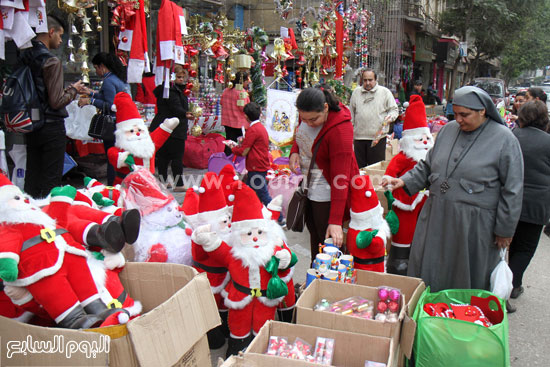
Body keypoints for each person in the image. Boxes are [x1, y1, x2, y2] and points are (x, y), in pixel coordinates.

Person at [382, 86, 524, 292]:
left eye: (464, 115)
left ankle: (463, 318)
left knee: (468, 278)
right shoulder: (448, 131)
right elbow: (428, 166)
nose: (458, 119)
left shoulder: (505, 139)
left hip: (474, 225)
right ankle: (430, 312)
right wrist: (404, 181)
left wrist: (505, 229)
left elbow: (513, 189)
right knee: (430, 269)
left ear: (483, 111)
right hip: (437, 216)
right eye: (455, 113)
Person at [290, 85, 359, 261]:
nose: (308, 123)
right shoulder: (307, 115)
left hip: (328, 193)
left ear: (326, 108)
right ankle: (316, 279)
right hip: (309, 187)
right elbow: (300, 132)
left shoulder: (340, 130)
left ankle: (332, 284)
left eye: (313, 119)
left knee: (329, 246)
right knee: (315, 238)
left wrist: (335, 221)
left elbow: (341, 178)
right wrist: (295, 150)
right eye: (303, 118)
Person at [21, 14, 84, 199]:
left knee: (32, 176)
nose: (60, 40)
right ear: (51, 32)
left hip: (31, 124)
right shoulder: (51, 61)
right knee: (51, 179)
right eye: (60, 35)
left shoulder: (25, 56)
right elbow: (56, 101)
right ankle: (50, 218)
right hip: (51, 125)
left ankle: (31, 218)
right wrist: (73, 91)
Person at [508, 101, 550, 308]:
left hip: (508, 200)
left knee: (508, 243)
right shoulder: (548, 141)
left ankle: (509, 282)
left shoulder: (511, 136)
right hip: (537, 205)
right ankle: (511, 285)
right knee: (525, 248)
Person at [78, 52, 130, 186]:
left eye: (96, 68)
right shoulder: (116, 79)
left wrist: (90, 101)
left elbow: (110, 105)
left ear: (102, 66)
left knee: (111, 157)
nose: (96, 71)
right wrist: (91, 93)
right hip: (120, 123)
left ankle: (113, 185)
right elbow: (106, 96)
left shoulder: (108, 81)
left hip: (113, 124)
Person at [150, 64, 193, 192]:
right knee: (175, 157)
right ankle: (178, 184)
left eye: (182, 77)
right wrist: (185, 114)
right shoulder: (172, 91)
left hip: (164, 125)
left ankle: (164, 182)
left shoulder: (169, 90)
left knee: (164, 156)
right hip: (174, 127)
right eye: (179, 77)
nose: (181, 79)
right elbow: (176, 107)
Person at [349, 68, 399, 168]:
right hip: (359, 138)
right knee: (359, 168)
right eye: (365, 80)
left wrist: (390, 117)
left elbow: (394, 110)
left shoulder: (385, 92)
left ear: (376, 80)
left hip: (378, 138)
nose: (367, 83)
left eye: (370, 80)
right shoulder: (356, 93)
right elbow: (351, 114)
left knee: (375, 168)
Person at [221, 72, 251, 155]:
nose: (248, 82)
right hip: (239, 123)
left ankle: (227, 162)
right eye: (247, 80)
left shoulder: (226, 90)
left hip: (227, 121)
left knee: (229, 143)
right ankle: (237, 164)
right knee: (239, 145)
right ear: (242, 81)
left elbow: (221, 102)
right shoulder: (242, 92)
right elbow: (245, 108)